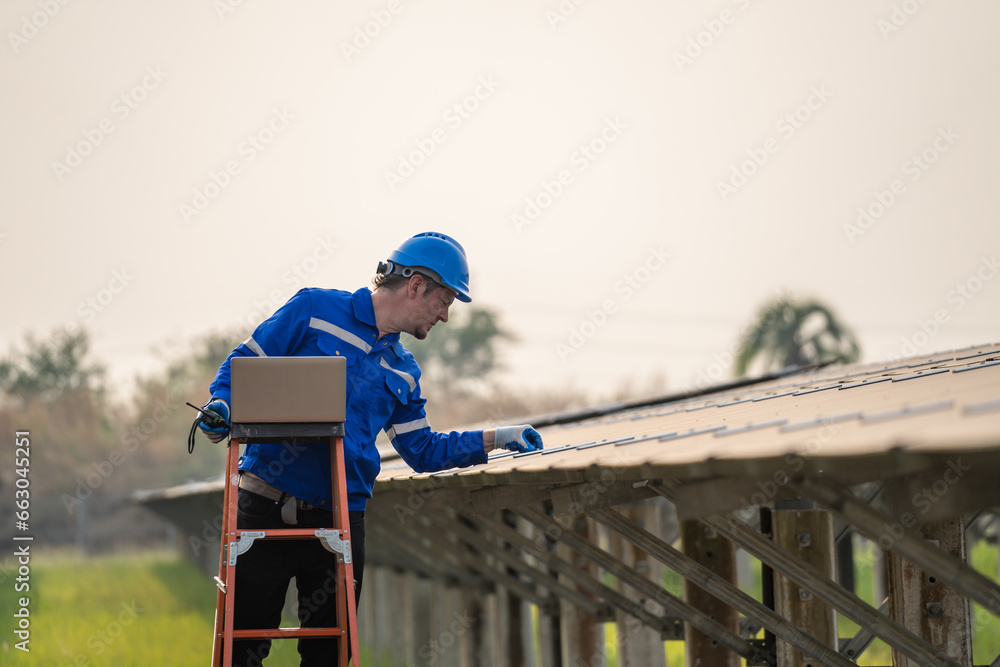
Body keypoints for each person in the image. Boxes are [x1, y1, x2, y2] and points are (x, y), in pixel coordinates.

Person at [198, 231, 543, 666]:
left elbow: (423, 449)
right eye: (445, 302)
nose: (445, 317)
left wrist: (499, 438)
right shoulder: (314, 310)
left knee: (330, 654)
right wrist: (222, 405)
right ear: (417, 285)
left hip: (340, 521)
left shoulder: (405, 370)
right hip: (263, 507)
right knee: (242, 646)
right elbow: (245, 362)